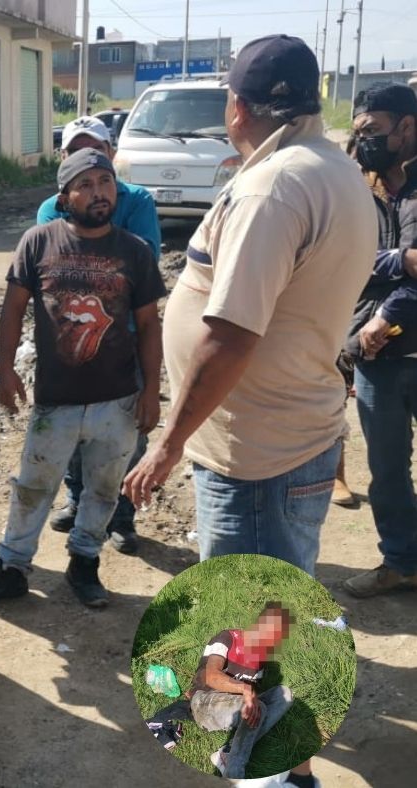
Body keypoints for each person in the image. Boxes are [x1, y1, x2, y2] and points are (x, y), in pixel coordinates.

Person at [123, 36, 378, 788]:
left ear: (237, 107)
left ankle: (273, 774)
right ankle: (282, 765)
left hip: (257, 453)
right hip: (290, 432)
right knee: (272, 620)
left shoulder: (277, 187)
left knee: (247, 637)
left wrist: (168, 442)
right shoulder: (332, 171)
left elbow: (231, 335)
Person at [0, 147, 165, 609]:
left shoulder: (134, 252)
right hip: (56, 400)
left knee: (103, 488)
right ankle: (12, 567)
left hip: (118, 398)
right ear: (64, 195)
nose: (99, 193)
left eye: (106, 182)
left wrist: (151, 390)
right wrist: (5, 368)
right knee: (33, 486)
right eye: (86, 184)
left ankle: (85, 561)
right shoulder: (38, 241)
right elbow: (12, 310)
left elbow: (150, 325)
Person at [37, 115, 162, 554]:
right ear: (63, 161)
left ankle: (121, 516)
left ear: (112, 155)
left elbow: (142, 261)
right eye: (75, 152)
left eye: (97, 151)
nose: (87, 160)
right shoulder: (50, 210)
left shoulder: (139, 200)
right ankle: (76, 500)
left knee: (125, 434)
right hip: (72, 341)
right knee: (72, 429)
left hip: (124, 339)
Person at [341, 82, 417, 598]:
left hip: (393, 337)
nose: (363, 141)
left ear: (407, 127)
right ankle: (402, 562)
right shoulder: (360, 189)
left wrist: (386, 310)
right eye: (358, 132)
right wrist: (400, 261)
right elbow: (342, 260)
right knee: (387, 469)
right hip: (378, 356)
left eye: (372, 131)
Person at [187, 603, 295, 779]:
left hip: (232, 707)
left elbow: (251, 703)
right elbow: (211, 676)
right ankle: (234, 774)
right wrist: (245, 690)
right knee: (256, 705)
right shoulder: (228, 637)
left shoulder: (260, 660)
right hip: (204, 701)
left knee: (284, 693)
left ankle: (227, 752)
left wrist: (251, 700)